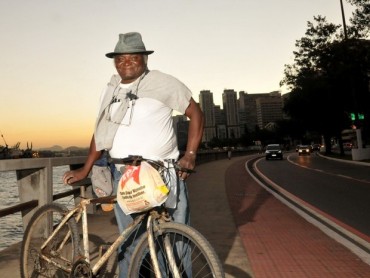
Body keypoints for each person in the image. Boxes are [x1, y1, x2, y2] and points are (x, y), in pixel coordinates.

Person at [62, 32, 204, 276]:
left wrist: (190, 154)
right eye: (120, 58)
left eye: (132, 57)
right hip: (124, 174)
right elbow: (101, 132)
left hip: (164, 173)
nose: (125, 63)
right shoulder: (111, 89)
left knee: (177, 238)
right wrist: (85, 168)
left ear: (144, 59)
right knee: (131, 243)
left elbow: (196, 113)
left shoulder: (164, 82)